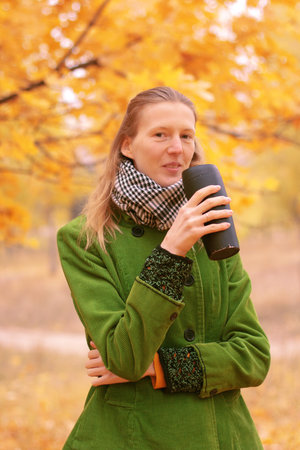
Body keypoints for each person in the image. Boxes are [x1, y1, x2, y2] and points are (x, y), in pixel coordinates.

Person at [57, 86, 270, 450]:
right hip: (133, 436)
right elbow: (124, 357)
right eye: (160, 135)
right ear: (127, 145)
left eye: (186, 136)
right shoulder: (86, 240)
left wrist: (161, 367)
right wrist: (172, 249)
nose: (177, 148)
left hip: (222, 436)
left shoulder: (215, 229)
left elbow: (253, 355)